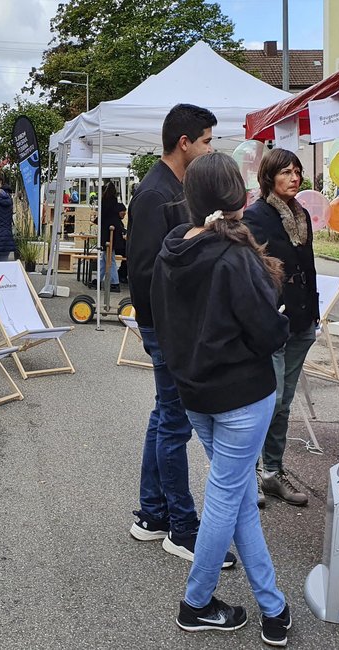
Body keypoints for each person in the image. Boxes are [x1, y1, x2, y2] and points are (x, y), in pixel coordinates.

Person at [151, 152, 293, 645]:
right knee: (226, 499)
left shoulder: (173, 250)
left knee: (236, 499)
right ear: (240, 196)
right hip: (241, 396)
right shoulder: (234, 256)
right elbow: (268, 332)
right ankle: (196, 603)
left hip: (196, 394)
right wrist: (279, 319)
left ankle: (273, 606)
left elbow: (162, 323)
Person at [126, 103, 235, 568]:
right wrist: (163, 329)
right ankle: (181, 528)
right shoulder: (156, 193)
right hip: (168, 327)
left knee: (165, 417)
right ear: (184, 142)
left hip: (173, 325)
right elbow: (144, 271)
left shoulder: (176, 187)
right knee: (175, 423)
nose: (211, 148)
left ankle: (153, 514)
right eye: (207, 140)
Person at [243, 148, 319, 508]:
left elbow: (309, 266)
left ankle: (272, 471)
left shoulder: (301, 215)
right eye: (286, 172)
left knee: (284, 403)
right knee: (269, 402)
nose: (294, 178)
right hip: (274, 320)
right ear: (269, 176)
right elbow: (254, 271)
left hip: (302, 320)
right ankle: (249, 474)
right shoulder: (256, 216)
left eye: (297, 171)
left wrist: (314, 312)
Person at [92, 181, 126, 292]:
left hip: (108, 234)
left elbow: (103, 216)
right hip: (114, 233)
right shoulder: (114, 203)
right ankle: (98, 280)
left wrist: (96, 221)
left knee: (109, 259)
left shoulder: (105, 202)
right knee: (105, 258)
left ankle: (115, 282)